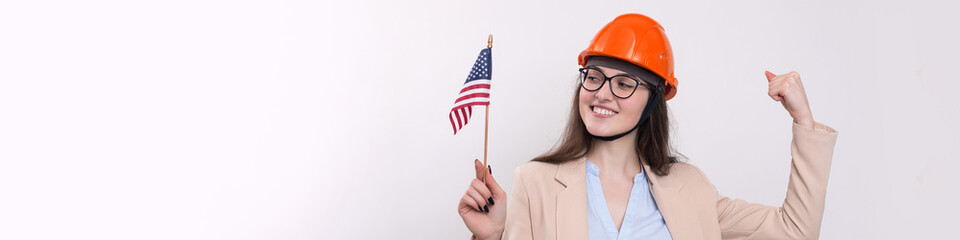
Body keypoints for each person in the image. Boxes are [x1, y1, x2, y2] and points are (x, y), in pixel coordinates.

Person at [457, 13, 838, 240]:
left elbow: (794, 231)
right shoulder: (535, 182)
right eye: (594, 77)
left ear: (655, 100)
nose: (602, 93)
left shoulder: (691, 188)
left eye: (624, 84)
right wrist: (492, 236)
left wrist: (803, 121)